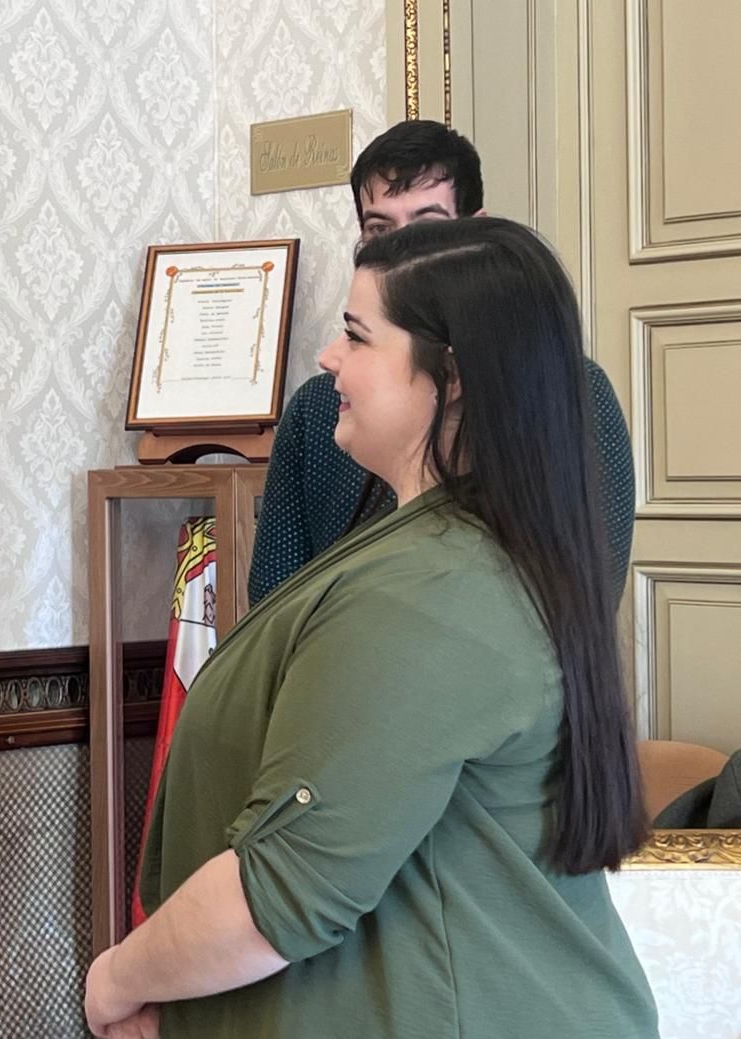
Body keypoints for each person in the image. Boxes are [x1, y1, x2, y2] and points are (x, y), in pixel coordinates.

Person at [83, 218, 658, 1038]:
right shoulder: (450, 555)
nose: (327, 359)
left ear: (449, 376)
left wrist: (118, 976)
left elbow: (279, 893)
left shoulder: (432, 593)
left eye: (356, 335)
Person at [248, 120, 634, 605]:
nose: (400, 253)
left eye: (427, 228)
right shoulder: (317, 408)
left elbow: (586, 588)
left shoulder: (567, 388)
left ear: (476, 230)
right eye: (378, 230)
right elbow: (273, 602)